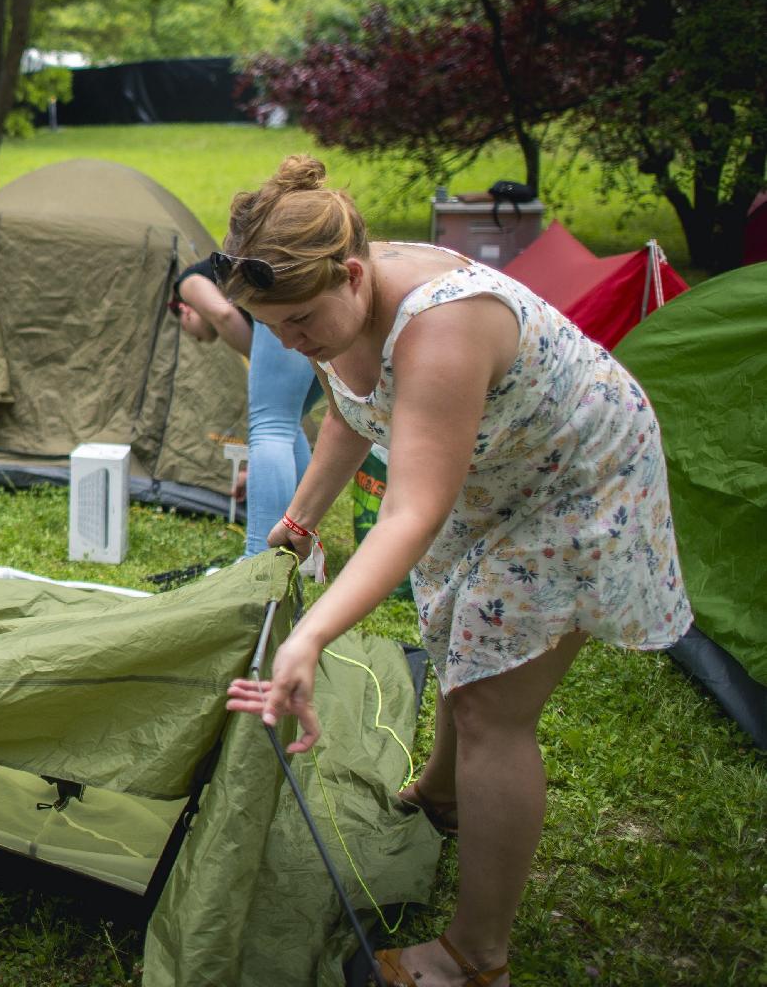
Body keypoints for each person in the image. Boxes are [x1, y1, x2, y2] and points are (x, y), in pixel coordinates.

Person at [221, 156, 691, 987]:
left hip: (576, 481)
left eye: (298, 323)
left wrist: (314, 632)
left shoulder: (442, 324)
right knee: (458, 629)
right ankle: (441, 796)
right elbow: (348, 410)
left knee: (491, 707)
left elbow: (411, 513)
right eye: (276, 332)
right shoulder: (336, 305)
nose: (293, 345)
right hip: (496, 465)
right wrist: (299, 520)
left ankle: (478, 959)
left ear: (355, 275)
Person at [174, 244, 317, 554]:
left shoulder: (186, 283)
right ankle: (302, 539)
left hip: (285, 306)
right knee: (288, 427)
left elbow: (222, 313)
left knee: (272, 427)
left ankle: (258, 557)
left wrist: (264, 363)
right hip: (313, 302)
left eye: (189, 331)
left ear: (184, 310)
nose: (197, 338)